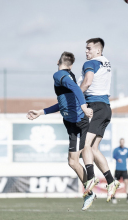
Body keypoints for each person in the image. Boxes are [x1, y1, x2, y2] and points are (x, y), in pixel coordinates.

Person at [26, 51, 96, 211]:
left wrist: (84, 107)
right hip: (72, 123)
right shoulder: (69, 75)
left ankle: (90, 187)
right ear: (71, 64)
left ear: (58, 61)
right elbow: (63, 103)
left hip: (78, 122)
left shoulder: (59, 75)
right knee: (72, 161)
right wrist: (41, 112)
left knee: (75, 159)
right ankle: (90, 187)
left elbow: (76, 89)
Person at [78, 38, 120, 202]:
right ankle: (111, 181)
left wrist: (77, 97)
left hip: (95, 106)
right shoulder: (106, 62)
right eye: (86, 49)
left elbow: (87, 82)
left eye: (89, 48)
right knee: (94, 149)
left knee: (85, 146)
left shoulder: (91, 63)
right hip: (106, 108)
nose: (86, 51)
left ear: (98, 50)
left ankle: (90, 178)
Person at [111, 138, 128, 204]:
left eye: (123, 142)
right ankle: (113, 197)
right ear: (119, 142)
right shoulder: (116, 150)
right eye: (121, 142)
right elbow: (114, 156)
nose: (122, 143)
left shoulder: (127, 150)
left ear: (124, 142)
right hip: (118, 169)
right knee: (115, 184)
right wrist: (117, 159)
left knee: (126, 182)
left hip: (124, 169)